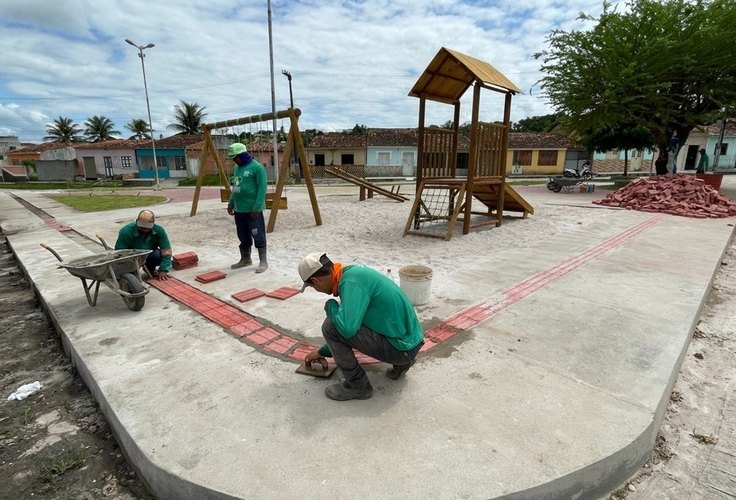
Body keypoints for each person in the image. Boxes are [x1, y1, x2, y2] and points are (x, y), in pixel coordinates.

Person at [300, 252, 425, 401]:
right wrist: (322, 352)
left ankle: (357, 385)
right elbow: (353, 322)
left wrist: (331, 307)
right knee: (346, 317)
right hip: (412, 343)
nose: (315, 289)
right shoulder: (352, 274)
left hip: (401, 349)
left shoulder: (351, 283)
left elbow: (346, 329)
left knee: (331, 326)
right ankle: (403, 364)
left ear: (315, 280)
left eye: (312, 286)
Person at [226, 142, 268, 273]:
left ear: (243, 155)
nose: (234, 160)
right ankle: (246, 259)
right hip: (239, 210)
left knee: (258, 234)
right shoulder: (237, 169)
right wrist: (231, 203)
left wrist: (257, 207)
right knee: (243, 235)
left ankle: (263, 261)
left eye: (236, 157)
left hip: (252, 210)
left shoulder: (257, 168)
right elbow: (236, 188)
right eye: (233, 158)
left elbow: (262, 188)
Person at [115, 209, 172, 280]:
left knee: (157, 255)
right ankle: (130, 272)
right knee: (132, 280)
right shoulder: (126, 231)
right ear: (137, 221)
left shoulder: (159, 230)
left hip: (148, 255)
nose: (144, 230)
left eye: (147, 227)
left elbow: (166, 251)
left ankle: (150, 269)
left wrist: (163, 269)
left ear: (153, 223)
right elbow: (120, 253)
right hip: (131, 257)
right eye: (142, 227)